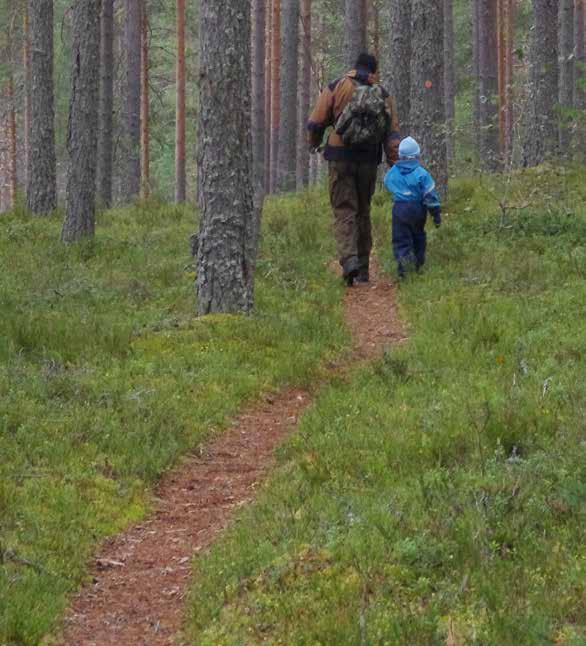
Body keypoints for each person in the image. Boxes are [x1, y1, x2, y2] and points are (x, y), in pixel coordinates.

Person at [307, 53, 400, 286]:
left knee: (344, 209)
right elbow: (392, 135)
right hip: (368, 159)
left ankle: (349, 260)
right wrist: (396, 165)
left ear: (354, 67)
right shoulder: (383, 94)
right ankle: (364, 267)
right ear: (373, 70)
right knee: (363, 210)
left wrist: (314, 143)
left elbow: (316, 122)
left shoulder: (337, 86)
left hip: (340, 157)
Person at [383, 136, 442, 278]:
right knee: (418, 235)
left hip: (400, 209)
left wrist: (400, 192)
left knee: (401, 239)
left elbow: (387, 182)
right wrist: (435, 214)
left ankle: (404, 269)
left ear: (400, 156)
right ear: (417, 155)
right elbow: (430, 195)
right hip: (418, 209)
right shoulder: (422, 173)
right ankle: (418, 263)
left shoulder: (393, 172)